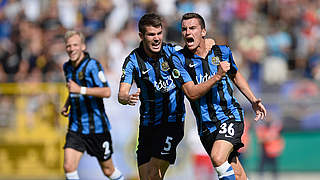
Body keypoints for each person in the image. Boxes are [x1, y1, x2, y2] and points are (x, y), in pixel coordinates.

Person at [169, 13, 267, 180]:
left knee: (217, 157)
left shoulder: (222, 52)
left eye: (192, 28)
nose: (187, 33)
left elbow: (235, 75)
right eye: (184, 29)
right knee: (236, 173)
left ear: (203, 31)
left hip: (229, 116)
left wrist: (252, 100)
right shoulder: (178, 60)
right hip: (206, 126)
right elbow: (191, 93)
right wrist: (217, 76)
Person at [118, 13, 214, 180]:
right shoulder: (133, 60)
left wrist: (208, 43)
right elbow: (122, 92)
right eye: (151, 34)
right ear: (141, 36)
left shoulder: (174, 52)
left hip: (171, 123)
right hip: (147, 126)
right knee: (146, 177)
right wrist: (125, 98)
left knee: (154, 174)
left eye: (159, 33)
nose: (156, 39)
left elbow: (198, 50)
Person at [61, 30, 124, 180]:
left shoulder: (92, 66)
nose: (72, 48)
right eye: (69, 46)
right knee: (69, 166)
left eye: (75, 45)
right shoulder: (67, 67)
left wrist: (80, 90)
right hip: (76, 127)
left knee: (109, 171)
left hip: (97, 128)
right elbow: (73, 89)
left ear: (83, 46)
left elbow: (106, 91)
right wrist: (67, 104)